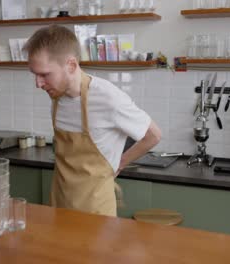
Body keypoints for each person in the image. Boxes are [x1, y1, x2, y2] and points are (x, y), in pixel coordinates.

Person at [24, 25, 161, 217]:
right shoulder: (57, 98)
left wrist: (120, 163)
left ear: (71, 65)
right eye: (35, 74)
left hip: (96, 213)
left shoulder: (108, 98)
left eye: (44, 74)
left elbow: (153, 135)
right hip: (59, 204)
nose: (38, 84)